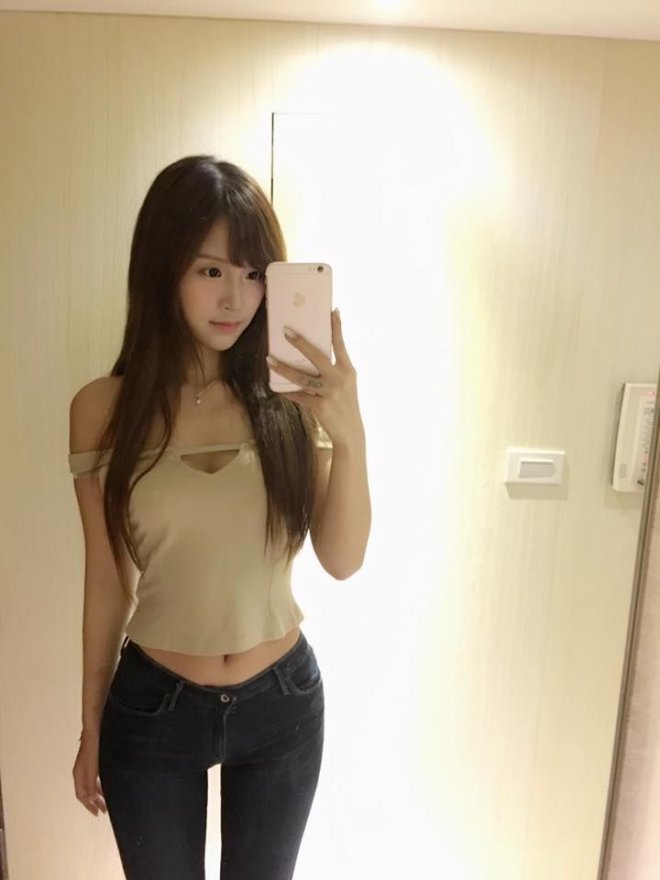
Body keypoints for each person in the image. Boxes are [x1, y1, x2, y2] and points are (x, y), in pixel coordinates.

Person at [68, 155, 371, 879]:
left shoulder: (292, 400)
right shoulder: (103, 411)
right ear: (162, 271)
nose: (236, 297)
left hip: (281, 703)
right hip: (154, 707)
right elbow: (106, 580)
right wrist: (90, 723)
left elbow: (342, 559)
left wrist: (350, 432)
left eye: (254, 272)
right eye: (210, 271)